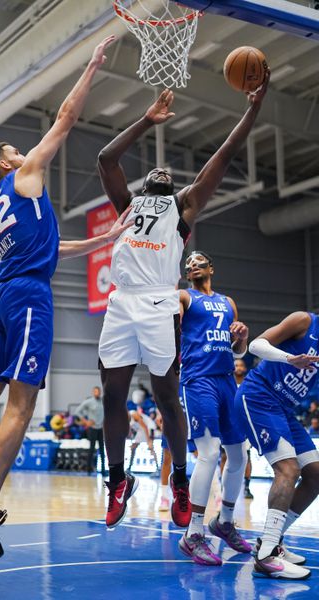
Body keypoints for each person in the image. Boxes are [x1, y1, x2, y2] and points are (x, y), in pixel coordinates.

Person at [0, 35, 134, 559]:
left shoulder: (1, 205)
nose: (24, 152)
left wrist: (104, 240)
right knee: (23, 404)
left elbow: (52, 247)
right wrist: (91, 66)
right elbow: (63, 118)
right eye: (17, 152)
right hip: (28, 298)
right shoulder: (25, 177)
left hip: (2, 293)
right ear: (9, 166)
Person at [97, 71, 270, 529]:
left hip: (157, 302)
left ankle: (178, 481)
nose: (162, 172)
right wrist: (148, 119)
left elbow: (225, 153)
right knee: (112, 398)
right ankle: (118, 480)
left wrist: (252, 109)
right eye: (156, 172)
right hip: (121, 302)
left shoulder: (184, 207)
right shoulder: (128, 206)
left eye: (169, 174)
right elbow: (106, 157)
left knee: (166, 398)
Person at [177, 251, 251, 566]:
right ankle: (193, 534)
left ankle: (225, 521)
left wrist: (242, 338)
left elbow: (239, 350)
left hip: (226, 381)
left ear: (211, 268)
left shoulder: (227, 302)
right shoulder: (182, 297)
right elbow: (170, 328)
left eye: (198, 261)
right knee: (208, 454)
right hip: (198, 380)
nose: (192, 264)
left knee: (239, 456)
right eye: (187, 263)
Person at [235, 310, 319, 579]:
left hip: (284, 408)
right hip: (259, 396)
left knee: (316, 475)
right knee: (288, 470)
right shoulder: (305, 321)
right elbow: (257, 344)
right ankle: (267, 555)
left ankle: (272, 541)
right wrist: (289, 359)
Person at [220, 358, 254, 499]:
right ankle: (223, 486)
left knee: (246, 457)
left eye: (241, 365)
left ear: (245, 368)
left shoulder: (250, 383)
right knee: (224, 456)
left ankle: (246, 486)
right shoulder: (226, 383)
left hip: (245, 424)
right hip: (227, 423)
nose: (238, 367)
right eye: (236, 365)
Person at [76, 386, 106, 475]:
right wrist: (85, 421)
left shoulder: (102, 402)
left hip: (100, 428)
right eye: (95, 392)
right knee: (92, 449)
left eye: (98, 392)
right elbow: (77, 411)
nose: (97, 393)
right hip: (92, 428)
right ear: (93, 392)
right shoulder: (89, 402)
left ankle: (103, 469)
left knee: (102, 449)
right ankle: (89, 469)